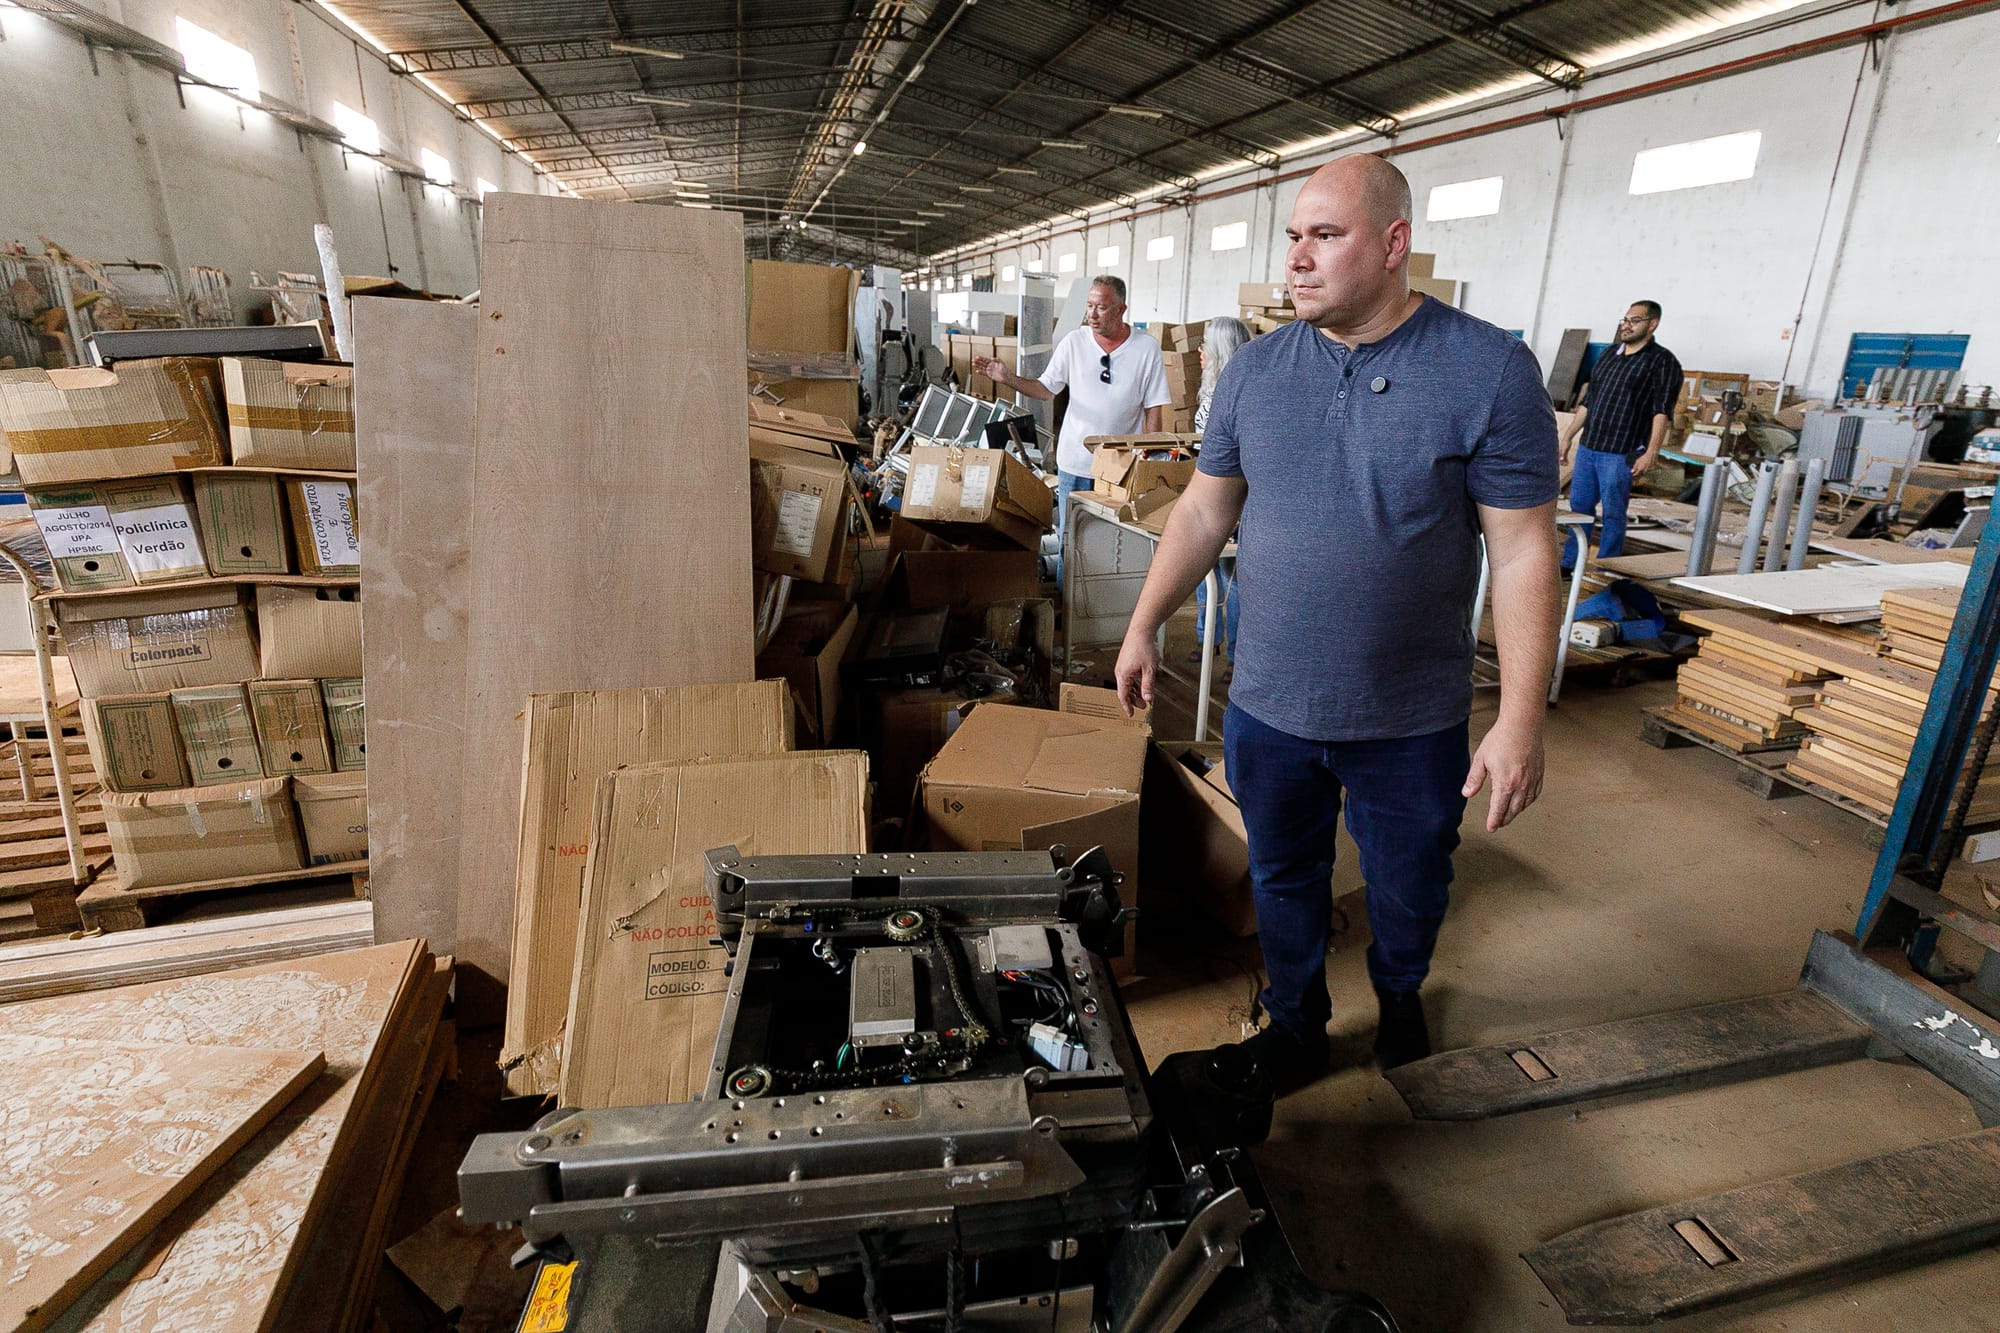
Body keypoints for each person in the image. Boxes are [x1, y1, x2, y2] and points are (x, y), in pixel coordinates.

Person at [1112, 154, 1559, 1085]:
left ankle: (1399, 995)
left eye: (1326, 236)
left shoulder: (1487, 369)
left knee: (1409, 882)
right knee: (1281, 876)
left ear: (1395, 244)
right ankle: (1297, 1019)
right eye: (1293, 237)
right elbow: (1202, 509)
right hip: (1271, 702)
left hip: (1411, 716)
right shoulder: (1255, 373)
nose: (1298, 260)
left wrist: (1520, 721)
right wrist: (1144, 621)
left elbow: (1521, 549)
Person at [976, 276, 1169, 578]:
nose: (1092, 314)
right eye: (1089, 306)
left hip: (1120, 470)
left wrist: (1148, 463)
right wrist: (1007, 378)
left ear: (1122, 309)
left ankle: (1102, 613)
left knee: (1116, 543)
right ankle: (1069, 616)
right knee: (1071, 540)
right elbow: (1045, 389)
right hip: (1075, 463)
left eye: (1101, 308)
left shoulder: (1146, 348)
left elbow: (1153, 410)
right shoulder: (1074, 342)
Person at [1557, 301, 1681, 564]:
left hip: (1621, 452)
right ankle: (1571, 562)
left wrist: (1651, 452)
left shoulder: (1662, 362)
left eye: (1634, 320)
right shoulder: (1609, 356)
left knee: (1613, 512)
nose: (1626, 325)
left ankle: (1607, 564)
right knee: (1579, 509)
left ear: (1653, 324)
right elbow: (1588, 402)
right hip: (1590, 448)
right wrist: (1568, 437)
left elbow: (1661, 411)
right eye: (1625, 319)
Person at [1193, 316, 1251, 665]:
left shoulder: (1238, 394)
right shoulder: (1212, 388)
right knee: (1205, 572)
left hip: (1235, 501)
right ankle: (1205, 640)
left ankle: (1234, 655)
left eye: (1205, 344)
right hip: (1210, 493)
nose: (1200, 351)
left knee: (1234, 581)